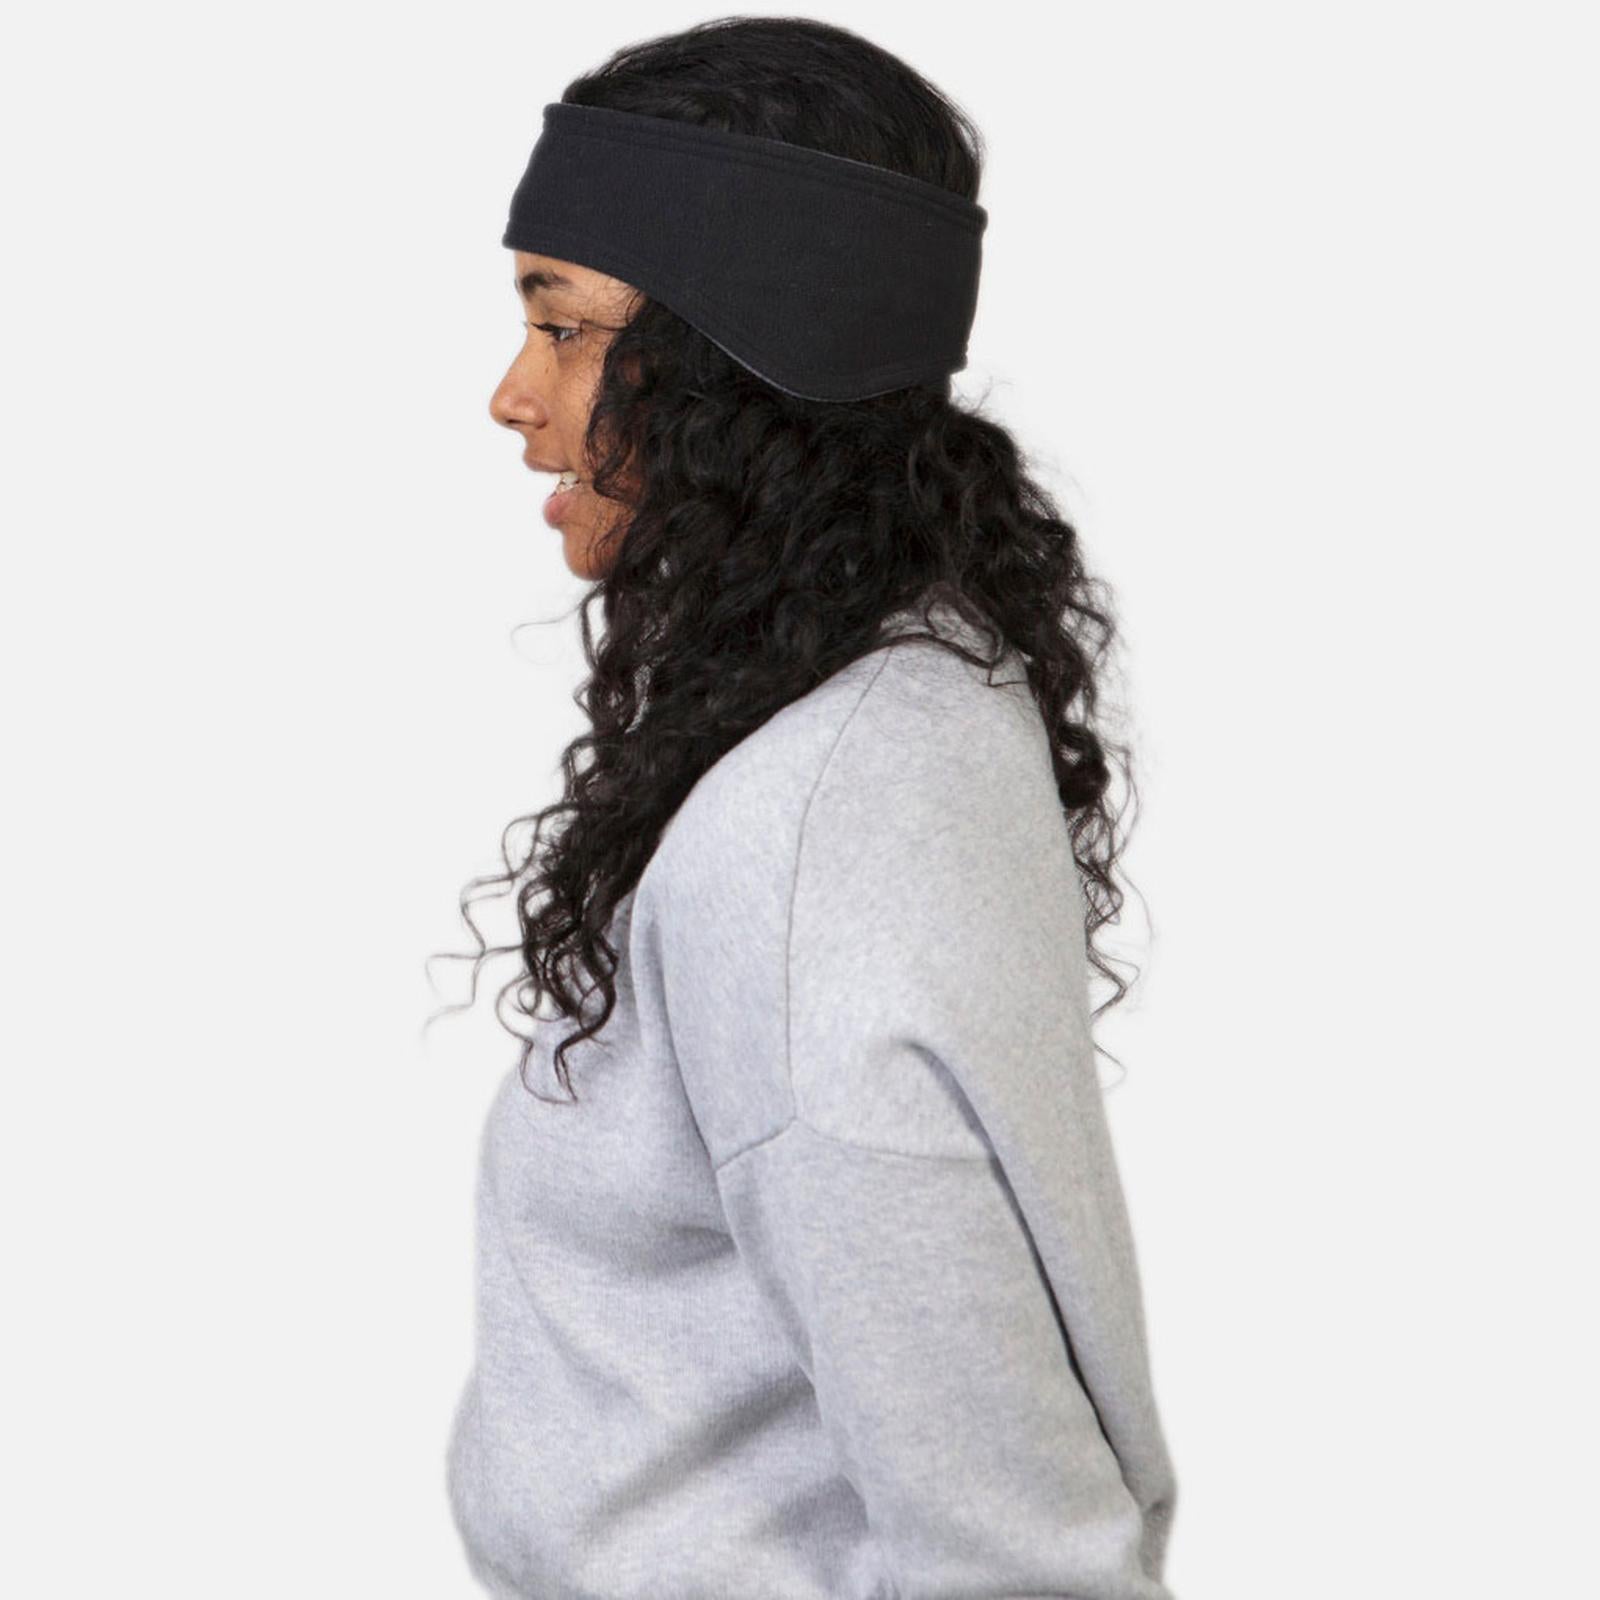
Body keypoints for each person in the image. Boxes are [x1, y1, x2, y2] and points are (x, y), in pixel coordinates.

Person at [437, 17, 1179, 1599]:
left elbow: (1009, 1552)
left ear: (731, 356)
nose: (513, 395)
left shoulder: (807, 845)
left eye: (562, 327)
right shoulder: (900, 696)